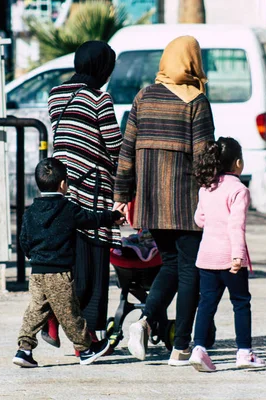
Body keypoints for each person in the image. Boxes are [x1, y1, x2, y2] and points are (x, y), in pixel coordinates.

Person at [113, 36, 215, 366]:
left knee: (170, 264)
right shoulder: (196, 101)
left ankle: (144, 322)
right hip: (186, 204)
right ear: (192, 62)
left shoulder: (143, 97)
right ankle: (181, 345)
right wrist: (214, 197)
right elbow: (204, 159)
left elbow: (126, 152)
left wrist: (121, 196)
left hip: (151, 205)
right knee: (190, 273)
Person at [42, 41, 122, 347]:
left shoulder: (55, 95)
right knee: (93, 265)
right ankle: (85, 337)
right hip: (93, 189)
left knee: (69, 261)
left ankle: (51, 316)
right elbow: (113, 146)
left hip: (63, 188)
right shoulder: (99, 99)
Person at [13, 158, 125, 368]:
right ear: (64, 184)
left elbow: (23, 240)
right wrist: (112, 217)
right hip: (59, 272)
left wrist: (34, 257)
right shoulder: (68, 209)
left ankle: (24, 349)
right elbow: (91, 218)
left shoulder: (30, 212)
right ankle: (85, 349)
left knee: (36, 310)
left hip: (37, 273)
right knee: (70, 312)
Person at [188, 137, 265, 372]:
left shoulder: (206, 187)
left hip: (207, 257)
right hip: (230, 258)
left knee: (206, 304)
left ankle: (199, 349)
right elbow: (236, 225)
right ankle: (244, 352)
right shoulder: (239, 189)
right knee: (241, 303)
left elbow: (199, 220)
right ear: (238, 163)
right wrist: (237, 256)